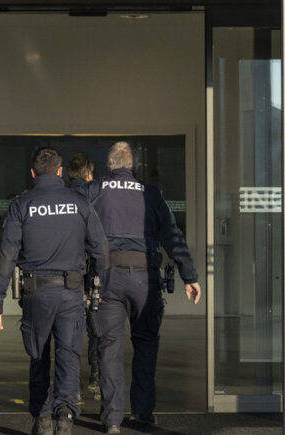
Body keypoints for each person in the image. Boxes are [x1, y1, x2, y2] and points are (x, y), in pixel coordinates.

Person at [0, 147, 108, 435]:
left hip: (35, 294)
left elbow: (7, 256)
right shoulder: (78, 202)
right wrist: (98, 283)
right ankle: (65, 419)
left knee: (39, 357)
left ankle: (42, 420)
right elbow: (101, 250)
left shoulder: (22, 204)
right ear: (59, 171)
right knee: (68, 358)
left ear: (32, 173)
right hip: (71, 293)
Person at [90, 141, 201, 434]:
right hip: (145, 279)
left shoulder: (96, 190)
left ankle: (112, 419)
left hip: (107, 278)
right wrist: (189, 275)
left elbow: (79, 228)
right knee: (147, 345)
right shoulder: (151, 194)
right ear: (134, 167)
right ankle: (142, 413)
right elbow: (172, 235)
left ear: (109, 165)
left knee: (108, 347)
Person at [65, 153, 102, 400]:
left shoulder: (63, 197)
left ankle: (72, 386)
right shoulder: (96, 196)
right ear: (89, 175)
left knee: (70, 327)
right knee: (97, 325)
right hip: (94, 269)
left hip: (70, 270)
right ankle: (97, 377)